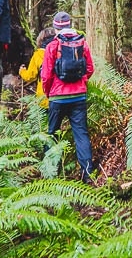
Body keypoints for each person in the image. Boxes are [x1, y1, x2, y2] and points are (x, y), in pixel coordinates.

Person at [40, 11, 95, 179]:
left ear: (55, 28)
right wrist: (81, 83)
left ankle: (49, 174)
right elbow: (90, 69)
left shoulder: (52, 46)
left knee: (52, 134)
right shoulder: (82, 44)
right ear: (70, 25)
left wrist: (49, 93)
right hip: (79, 97)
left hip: (57, 97)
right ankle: (87, 174)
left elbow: (46, 75)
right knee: (81, 134)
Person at [19, 27, 55, 108]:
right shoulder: (60, 51)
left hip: (44, 97)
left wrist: (22, 71)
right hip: (62, 95)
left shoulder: (38, 55)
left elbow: (30, 76)